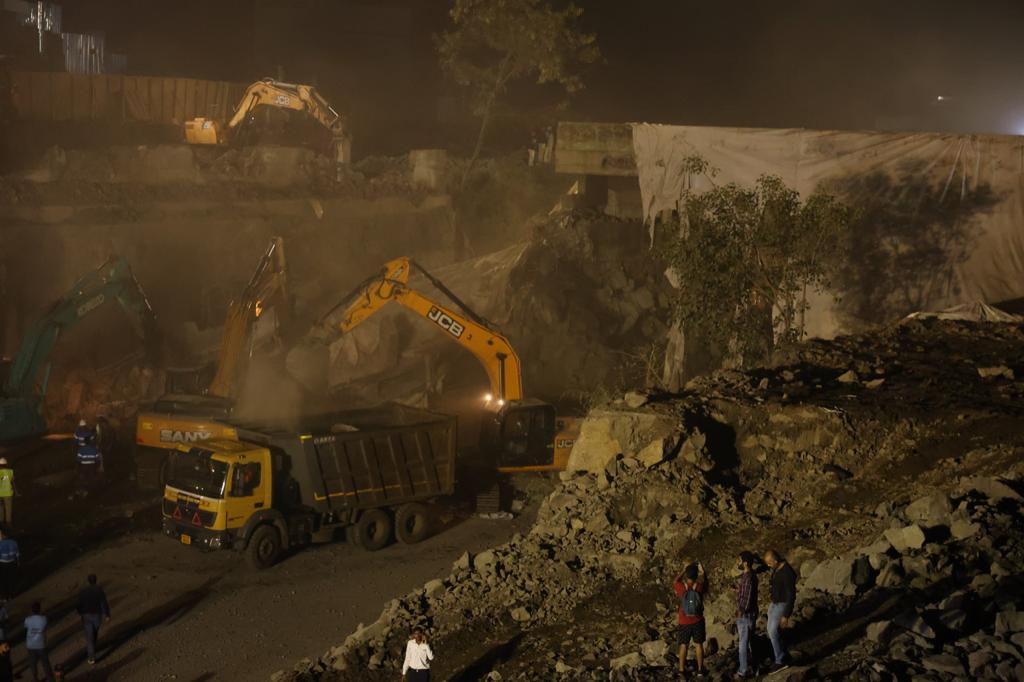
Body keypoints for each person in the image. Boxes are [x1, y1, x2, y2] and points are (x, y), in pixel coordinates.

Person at [673, 560, 708, 678]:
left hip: (684, 621)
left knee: (684, 645)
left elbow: (675, 581)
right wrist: (702, 572)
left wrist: (684, 569)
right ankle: (700, 670)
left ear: (687, 575)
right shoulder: (699, 586)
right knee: (698, 645)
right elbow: (704, 581)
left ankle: (681, 670)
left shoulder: (681, 587)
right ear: (696, 575)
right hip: (697, 620)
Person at [764, 549, 797, 672]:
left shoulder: (787, 573)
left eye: (769, 563)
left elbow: (791, 595)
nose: (768, 565)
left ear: (776, 561)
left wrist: (786, 615)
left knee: (773, 631)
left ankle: (780, 660)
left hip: (782, 604)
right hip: (774, 603)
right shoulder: (777, 569)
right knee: (771, 631)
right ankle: (784, 655)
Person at [731, 551, 759, 679]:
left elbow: (747, 599)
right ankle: (755, 667)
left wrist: (740, 611)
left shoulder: (748, 577)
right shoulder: (749, 576)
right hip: (750, 614)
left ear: (745, 563)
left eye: (739, 560)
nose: (738, 562)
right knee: (749, 642)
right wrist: (738, 589)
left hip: (746, 615)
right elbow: (747, 593)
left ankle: (743, 671)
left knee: (743, 643)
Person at [77, 573, 111, 664]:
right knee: (94, 634)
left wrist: (80, 613)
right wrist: (107, 614)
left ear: (88, 581)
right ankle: (92, 651)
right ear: (96, 580)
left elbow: (79, 604)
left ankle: (91, 655)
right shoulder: (99, 590)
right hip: (97, 616)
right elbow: (103, 603)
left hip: (86, 616)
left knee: (89, 636)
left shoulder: (83, 591)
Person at [24, 601, 53, 681]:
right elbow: (46, 626)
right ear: (40, 609)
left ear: (32, 610)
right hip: (41, 644)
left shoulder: (27, 620)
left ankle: (35, 679)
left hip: (30, 645)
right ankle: (50, 678)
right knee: (45, 663)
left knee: (33, 664)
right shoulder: (44, 619)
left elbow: (26, 627)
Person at [0, 531, 17, 600]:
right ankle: (11, 595)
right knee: (10, 579)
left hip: (3, 563)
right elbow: (17, 553)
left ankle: (4, 596)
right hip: (11, 562)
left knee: (3, 580)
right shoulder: (13, 542)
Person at [0, 459, 14, 527]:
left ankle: (1, 520)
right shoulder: (10, 472)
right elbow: (12, 481)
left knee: (0, 508)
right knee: (8, 508)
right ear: (6, 464)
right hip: (8, 493)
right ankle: (8, 522)